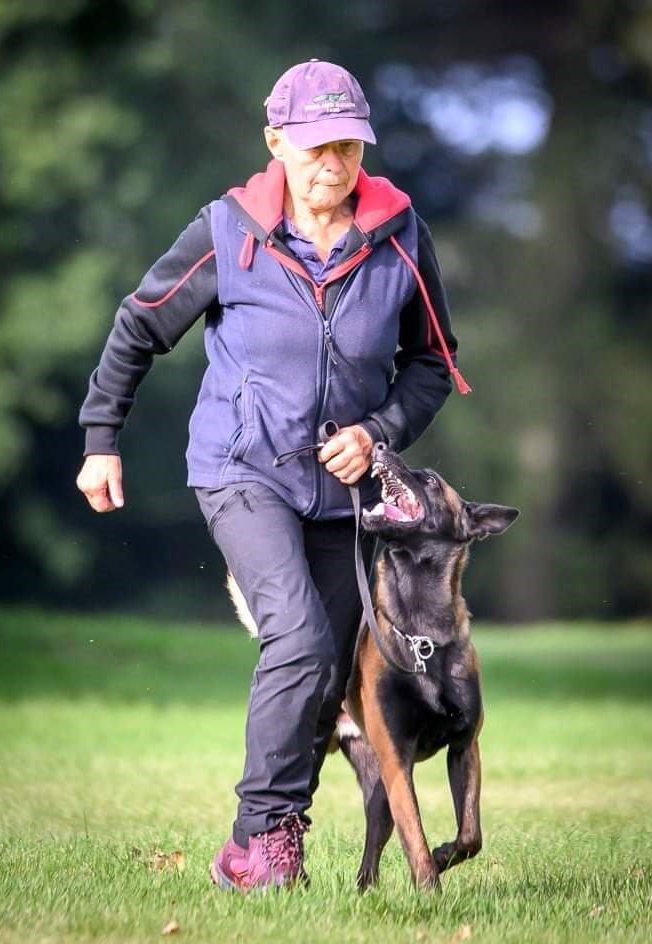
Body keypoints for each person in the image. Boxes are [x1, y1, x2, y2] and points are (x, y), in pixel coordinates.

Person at [76, 59, 469, 892]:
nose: (335, 165)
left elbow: (432, 363)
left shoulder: (399, 234)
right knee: (295, 634)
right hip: (240, 468)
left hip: (346, 493)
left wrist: (378, 431)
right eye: (317, 147)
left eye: (349, 148)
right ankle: (267, 841)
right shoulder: (229, 229)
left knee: (326, 663)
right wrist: (100, 435)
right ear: (276, 143)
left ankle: (260, 841)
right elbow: (139, 326)